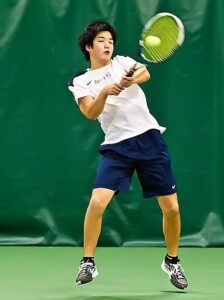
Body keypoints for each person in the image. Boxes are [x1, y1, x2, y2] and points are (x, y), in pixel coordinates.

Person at [68, 20, 188, 290]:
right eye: (101, 40)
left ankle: (172, 260)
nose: (107, 44)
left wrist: (131, 78)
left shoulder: (122, 62)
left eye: (110, 40)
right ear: (89, 46)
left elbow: (144, 73)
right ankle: (88, 261)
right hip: (117, 148)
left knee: (172, 208)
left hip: (149, 140)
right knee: (97, 203)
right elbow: (90, 113)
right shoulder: (80, 80)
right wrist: (104, 92)